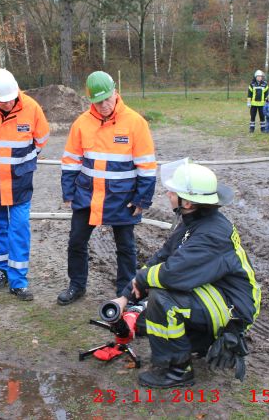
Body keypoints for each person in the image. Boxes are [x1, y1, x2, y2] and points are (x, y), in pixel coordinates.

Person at [110, 161, 261, 388]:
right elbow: (162, 257)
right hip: (215, 293)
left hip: (234, 308)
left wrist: (142, 280)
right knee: (149, 312)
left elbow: (171, 274)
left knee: (163, 299)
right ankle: (193, 341)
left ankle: (178, 370)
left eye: (173, 191)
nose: (168, 193)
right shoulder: (195, 221)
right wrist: (125, 298)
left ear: (188, 201)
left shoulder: (212, 234)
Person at [57, 71, 157, 305]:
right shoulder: (81, 124)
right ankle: (77, 285)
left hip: (122, 198)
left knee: (126, 247)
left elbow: (147, 166)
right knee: (76, 242)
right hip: (87, 196)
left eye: (107, 99)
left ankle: (127, 294)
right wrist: (68, 192)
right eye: (98, 101)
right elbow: (71, 161)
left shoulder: (135, 123)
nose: (104, 105)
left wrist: (142, 199)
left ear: (115, 92)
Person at [0, 68, 50, 301]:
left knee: (19, 228)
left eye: (11, 99)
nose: (8, 104)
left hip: (20, 181)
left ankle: (19, 281)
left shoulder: (32, 107)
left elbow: (41, 138)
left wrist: (24, 160)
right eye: (2, 101)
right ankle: (0, 270)